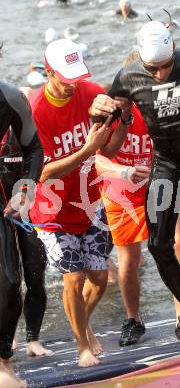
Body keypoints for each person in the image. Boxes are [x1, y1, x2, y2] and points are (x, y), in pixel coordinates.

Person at [90, 21, 180, 344]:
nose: (159, 75)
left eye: (165, 66)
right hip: (166, 162)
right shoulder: (127, 76)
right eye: (152, 69)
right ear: (142, 60)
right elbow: (105, 124)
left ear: (173, 52)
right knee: (157, 244)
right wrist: (99, 110)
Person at [29, 39, 113, 367]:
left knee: (100, 278)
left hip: (88, 201)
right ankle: (82, 346)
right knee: (73, 279)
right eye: (66, 79)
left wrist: (111, 110)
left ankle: (82, 321)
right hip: (51, 210)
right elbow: (42, 173)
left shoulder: (89, 91)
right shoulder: (37, 111)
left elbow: (113, 129)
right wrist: (87, 150)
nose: (72, 86)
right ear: (49, 72)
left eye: (76, 78)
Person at [0, 56, 44, 387]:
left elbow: (34, 148)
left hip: (3, 204)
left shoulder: (11, 98)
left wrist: (25, 189)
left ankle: (3, 361)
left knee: (12, 284)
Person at [0, 128, 52, 357]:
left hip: (27, 208)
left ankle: (34, 338)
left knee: (35, 271)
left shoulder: (22, 127)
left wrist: (25, 192)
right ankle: (8, 335)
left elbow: (38, 160)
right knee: (9, 281)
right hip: (1, 212)